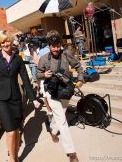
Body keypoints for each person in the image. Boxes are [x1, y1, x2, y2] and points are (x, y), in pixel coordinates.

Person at [0, 30, 40, 162]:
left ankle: (11, 154)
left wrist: (33, 98)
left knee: (16, 131)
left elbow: (25, 80)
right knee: (10, 130)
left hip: (16, 98)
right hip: (1, 99)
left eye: (8, 41)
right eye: (3, 41)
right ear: (0, 43)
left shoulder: (18, 59)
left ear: (11, 41)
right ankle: (13, 160)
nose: (6, 44)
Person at [37, 30, 84, 162]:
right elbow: (38, 74)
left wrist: (80, 79)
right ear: (49, 46)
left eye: (58, 46)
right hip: (51, 93)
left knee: (61, 114)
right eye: (53, 47)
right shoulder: (44, 58)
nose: (56, 49)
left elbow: (79, 66)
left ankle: (52, 131)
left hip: (64, 91)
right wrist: (43, 75)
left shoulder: (67, 54)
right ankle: (71, 153)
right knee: (62, 120)